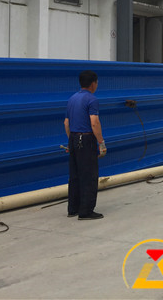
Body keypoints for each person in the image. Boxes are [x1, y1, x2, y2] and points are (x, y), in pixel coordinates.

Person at [64, 70, 107, 220]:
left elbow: (66, 123)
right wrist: (101, 142)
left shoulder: (72, 99)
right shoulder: (92, 100)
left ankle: (73, 208)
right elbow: (94, 122)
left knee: (75, 176)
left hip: (74, 138)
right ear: (93, 83)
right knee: (88, 176)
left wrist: (72, 141)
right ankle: (86, 211)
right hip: (87, 140)